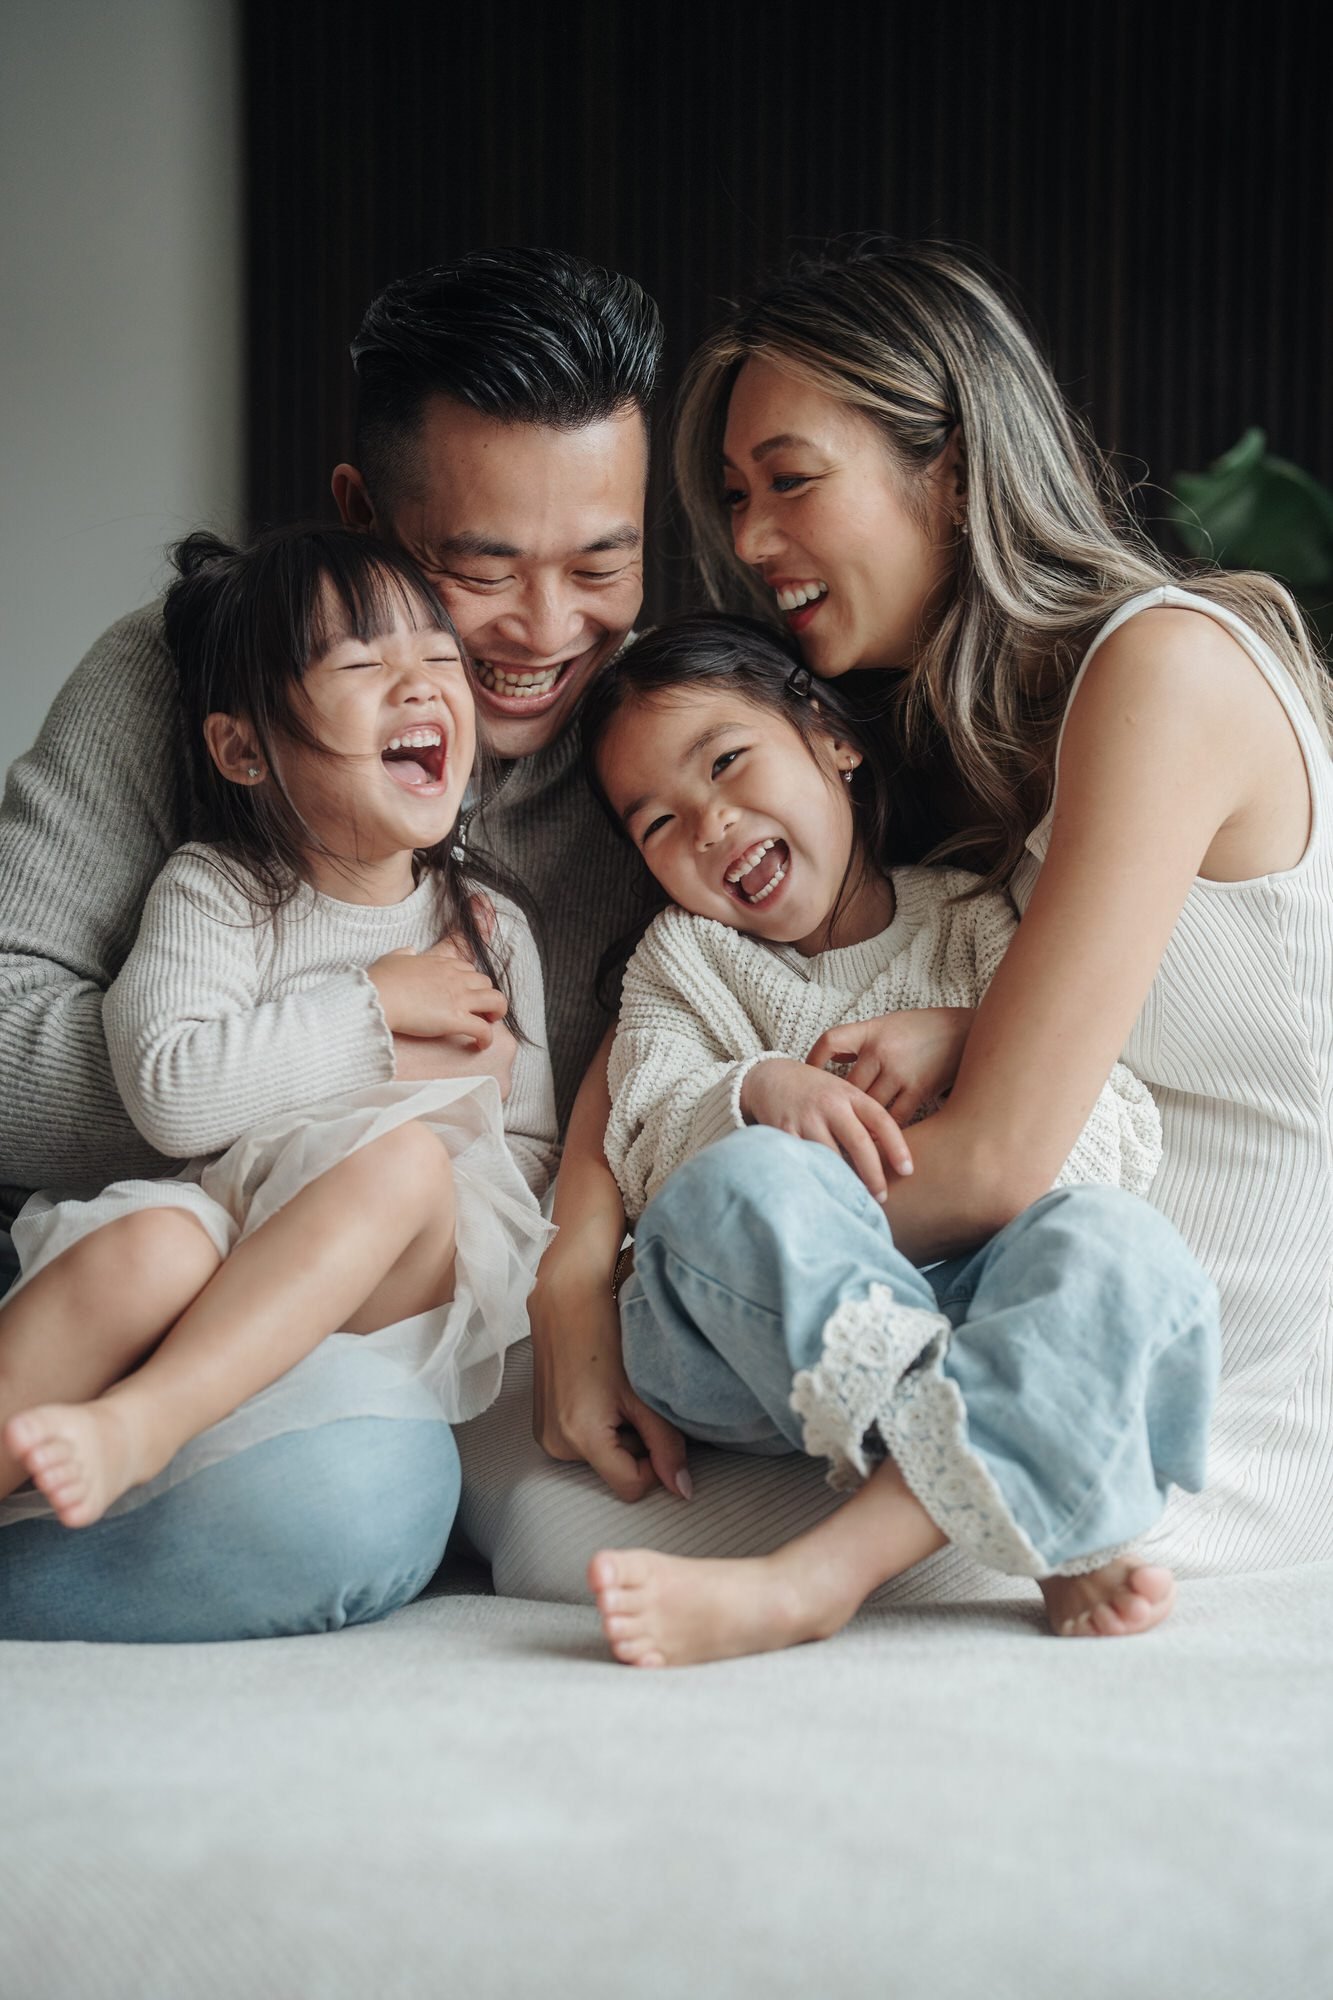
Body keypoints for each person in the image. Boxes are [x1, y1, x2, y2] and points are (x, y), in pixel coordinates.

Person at [0, 250, 671, 1639]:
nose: (548, 633)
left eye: (602, 563)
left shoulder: (666, 750)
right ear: (361, 515)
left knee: (360, 1500)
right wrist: (320, 1063)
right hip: (139, 1243)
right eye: (480, 572)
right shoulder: (195, 674)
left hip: (389, 1327)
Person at [667, 240, 1333, 1581]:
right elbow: (680, 974)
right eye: (735, 497)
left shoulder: (1161, 670)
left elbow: (995, 1165)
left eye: (789, 480)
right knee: (539, 1463)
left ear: (957, 468)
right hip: (997, 1307)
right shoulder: (944, 747)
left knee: (559, 1506)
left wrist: (681, 1243)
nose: (747, 542)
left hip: (1217, 1379)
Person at [576, 617, 1217, 1666]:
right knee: (739, 1180)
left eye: (728, 761)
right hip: (736, 1330)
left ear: (834, 738)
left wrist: (972, 1040)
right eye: (657, 821)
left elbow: (1102, 1134)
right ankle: (1036, 1480)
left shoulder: (968, 921)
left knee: (1120, 1245)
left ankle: (822, 1574)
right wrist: (756, 1089)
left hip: (967, 1294)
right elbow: (640, 1142)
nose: (710, 821)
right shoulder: (682, 959)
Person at [0, 524, 556, 1550]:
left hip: (389, 1286)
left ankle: (144, 1420)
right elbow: (168, 1089)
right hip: (225, 1230)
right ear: (243, 747)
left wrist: (448, 1126)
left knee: (403, 1166)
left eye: (439, 659)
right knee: (147, 1245)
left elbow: (529, 1157)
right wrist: (371, 1012)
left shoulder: (490, 930)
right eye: (363, 664)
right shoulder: (215, 891)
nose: (421, 685)